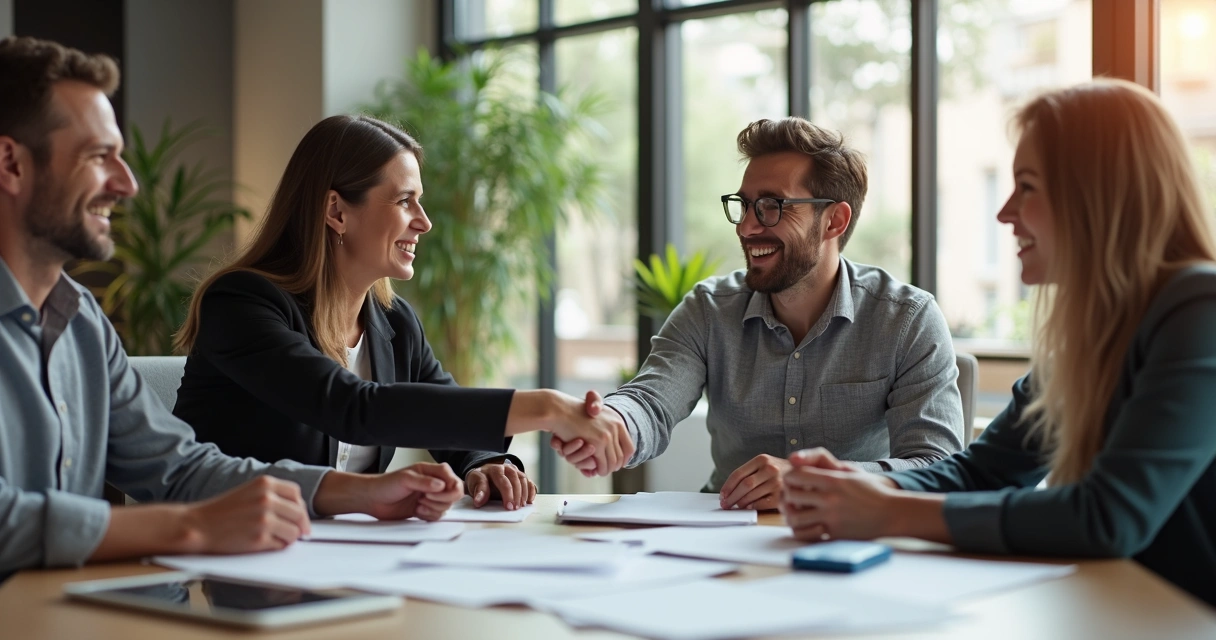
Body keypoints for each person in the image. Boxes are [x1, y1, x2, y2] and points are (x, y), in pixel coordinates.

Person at [0, 35, 470, 579]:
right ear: (11, 163)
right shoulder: (245, 301)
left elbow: (180, 469)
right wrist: (190, 527)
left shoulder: (81, 322)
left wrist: (358, 492)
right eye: (97, 156)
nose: (126, 183)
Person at [780, 79, 1216, 607]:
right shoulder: (1096, 333)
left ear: (1097, 193)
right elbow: (982, 471)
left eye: (1027, 187)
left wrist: (888, 513)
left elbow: (1108, 516)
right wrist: (867, 487)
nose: (1005, 212)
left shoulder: (1199, 307)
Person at [170, 113, 632, 510]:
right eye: (404, 200)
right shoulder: (242, 303)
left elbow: (449, 425)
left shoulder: (392, 324)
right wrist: (548, 406)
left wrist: (485, 464)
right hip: (218, 559)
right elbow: (351, 407)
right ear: (336, 211)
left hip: (333, 560)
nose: (424, 221)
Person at [554, 117, 964, 509]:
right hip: (722, 539)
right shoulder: (708, 310)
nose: (747, 227)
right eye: (744, 205)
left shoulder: (906, 320)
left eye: (771, 206)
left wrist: (821, 481)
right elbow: (651, 401)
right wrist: (612, 423)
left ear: (834, 221)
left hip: (851, 540)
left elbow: (937, 467)